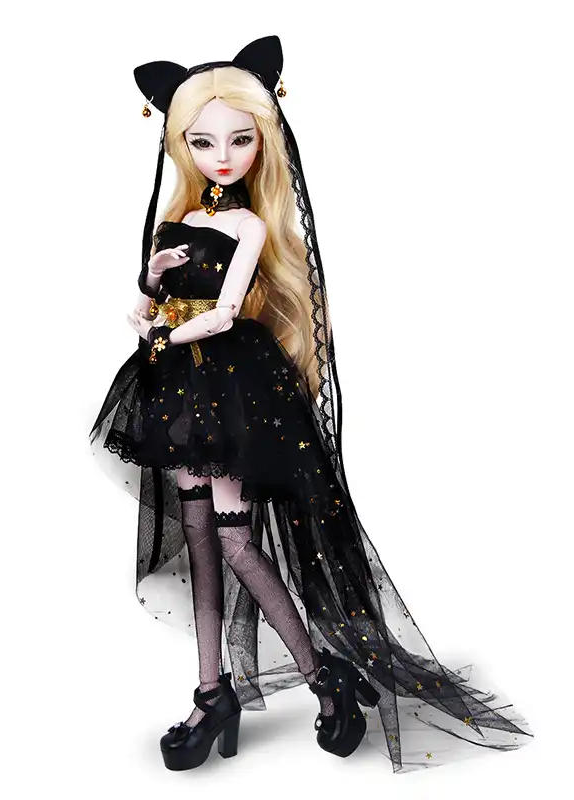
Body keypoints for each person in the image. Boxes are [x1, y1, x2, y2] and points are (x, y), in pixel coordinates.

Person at [89, 34, 533, 773]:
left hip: (226, 387)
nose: (222, 155)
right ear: (179, 144)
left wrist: (169, 332)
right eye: (203, 141)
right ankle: (211, 692)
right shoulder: (179, 221)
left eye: (240, 139)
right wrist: (150, 286)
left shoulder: (249, 225)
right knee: (199, 539)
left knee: (235, 540)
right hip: (177, 390)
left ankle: (324, 675)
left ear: (263, 141)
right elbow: (144, 302)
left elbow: (225, 313)